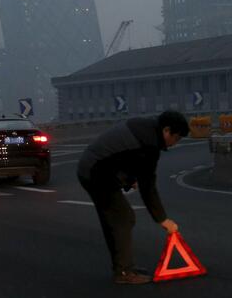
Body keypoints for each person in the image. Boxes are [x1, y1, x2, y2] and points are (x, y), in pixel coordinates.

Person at [77, 110, 189, 285]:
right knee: (123, 218)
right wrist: (162, 220)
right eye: (177, 138)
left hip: (94, 168)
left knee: (114, 220)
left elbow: (123, 156)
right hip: (96, 173)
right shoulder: (150, 143)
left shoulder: (147, 127)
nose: (175, 143)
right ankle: (123, 272)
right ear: (167, 130)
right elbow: (148, 187)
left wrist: (129, 180)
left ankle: (123, 267)